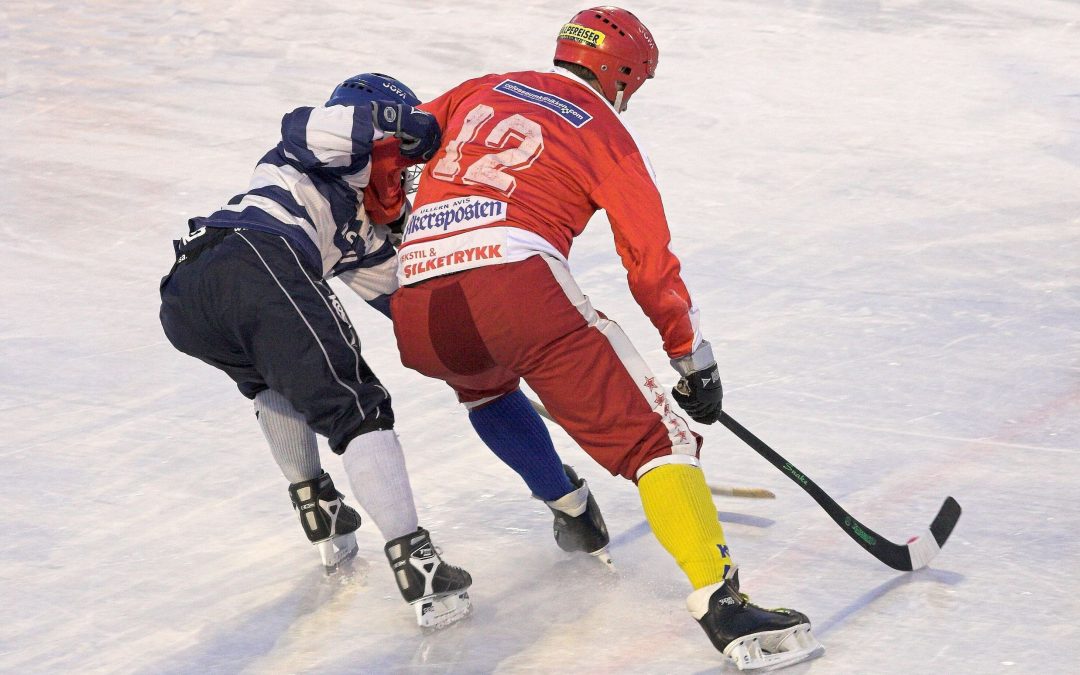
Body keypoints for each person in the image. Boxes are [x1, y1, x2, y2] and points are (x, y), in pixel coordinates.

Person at [389, 7, 823, 669]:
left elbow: (400, 141)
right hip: (513, 277)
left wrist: (388, 227)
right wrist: (691, 357)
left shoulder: (486, 86)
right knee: (660, 439)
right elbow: (649, 262)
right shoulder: (605, 129)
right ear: (622, 75)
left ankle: (570, 509)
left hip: (417, 300)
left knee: (485, 388)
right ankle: (722, 603)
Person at [158, 73, 472, 629]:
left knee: (277, 381)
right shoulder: (324, 150)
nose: (405, 174)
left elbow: (405, 306)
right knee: (357, 407)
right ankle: (416, 564)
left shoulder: (362, 231)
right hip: (258, 258)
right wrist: (412, 126)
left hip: (190, 294)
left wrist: (470, 357)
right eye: (400, 161)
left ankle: (321, 512)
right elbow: (308, 122)